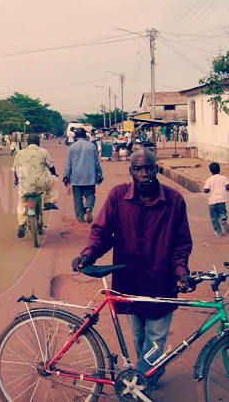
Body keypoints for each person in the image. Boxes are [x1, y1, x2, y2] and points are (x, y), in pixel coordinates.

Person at [72, 149, 194, 388]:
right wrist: (88, 255)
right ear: (131, 172)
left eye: (149, 168)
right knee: (138, 335)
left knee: (156, 337)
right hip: (129, 282)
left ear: (156, 170)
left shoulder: (174, 199)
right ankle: (146, 373)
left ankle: (140, 383)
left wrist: (181, 271)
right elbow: (102, 233)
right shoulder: (118, 196)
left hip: (161, 281)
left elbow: (182, 243)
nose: (145, 174)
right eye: (138, 169)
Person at [12, 134, 59, 238]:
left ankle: (21, 223)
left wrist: (16, 181)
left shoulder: (19, 153)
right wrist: (54, 174)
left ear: (28, 143)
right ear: (38, 142)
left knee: (22, 202)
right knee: (54, 180)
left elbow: (15, 170)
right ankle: (49, 202)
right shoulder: (43, 151)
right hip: (41, 183)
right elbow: (51, 166)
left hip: (24, 185)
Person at [63, 127, 103, 223]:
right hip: (90, 176)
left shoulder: (72, 147)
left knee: (77, 198)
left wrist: (66, 176)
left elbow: (68, 164)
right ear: (86, 136)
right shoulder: (91, 146)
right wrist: (99, 174)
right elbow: (96, 162)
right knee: (90, 195)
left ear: (76, 137)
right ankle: (88, 207)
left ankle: (80, 218)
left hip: (76, 177)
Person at [204, 162, 229, 236]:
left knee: (214, 217)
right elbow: (228, 186)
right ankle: (223, 219)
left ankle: (218, 231)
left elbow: (206, 190)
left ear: (210, 170)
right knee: (222, 212)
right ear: (219, 169)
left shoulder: (209, 180)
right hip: (222, 200)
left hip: (212, 201)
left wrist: (208, 190)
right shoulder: (224, 178)